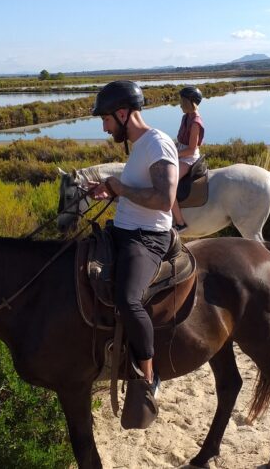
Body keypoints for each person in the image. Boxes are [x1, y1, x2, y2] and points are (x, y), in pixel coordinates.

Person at [88, 80, 179, 407]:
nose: (104, 127)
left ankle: (148, 375)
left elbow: (165, 199)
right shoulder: (140, 145)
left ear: (123, 113)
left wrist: (120, 189)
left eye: (107, 120)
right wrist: (111, 190)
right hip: (124, 229)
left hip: (147, 238)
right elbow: (139, 191)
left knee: (128, 300)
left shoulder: (157, 144)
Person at [170, 86, 205, 232]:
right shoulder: (186, 117)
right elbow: (180, 141)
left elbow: (191, 149)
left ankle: (180, 223)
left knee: (167, 184)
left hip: (188, 158)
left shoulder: (195, 122)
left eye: (182, 101)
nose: (179, 104)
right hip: (180, 152)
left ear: (190, 102)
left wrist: (174, 154)